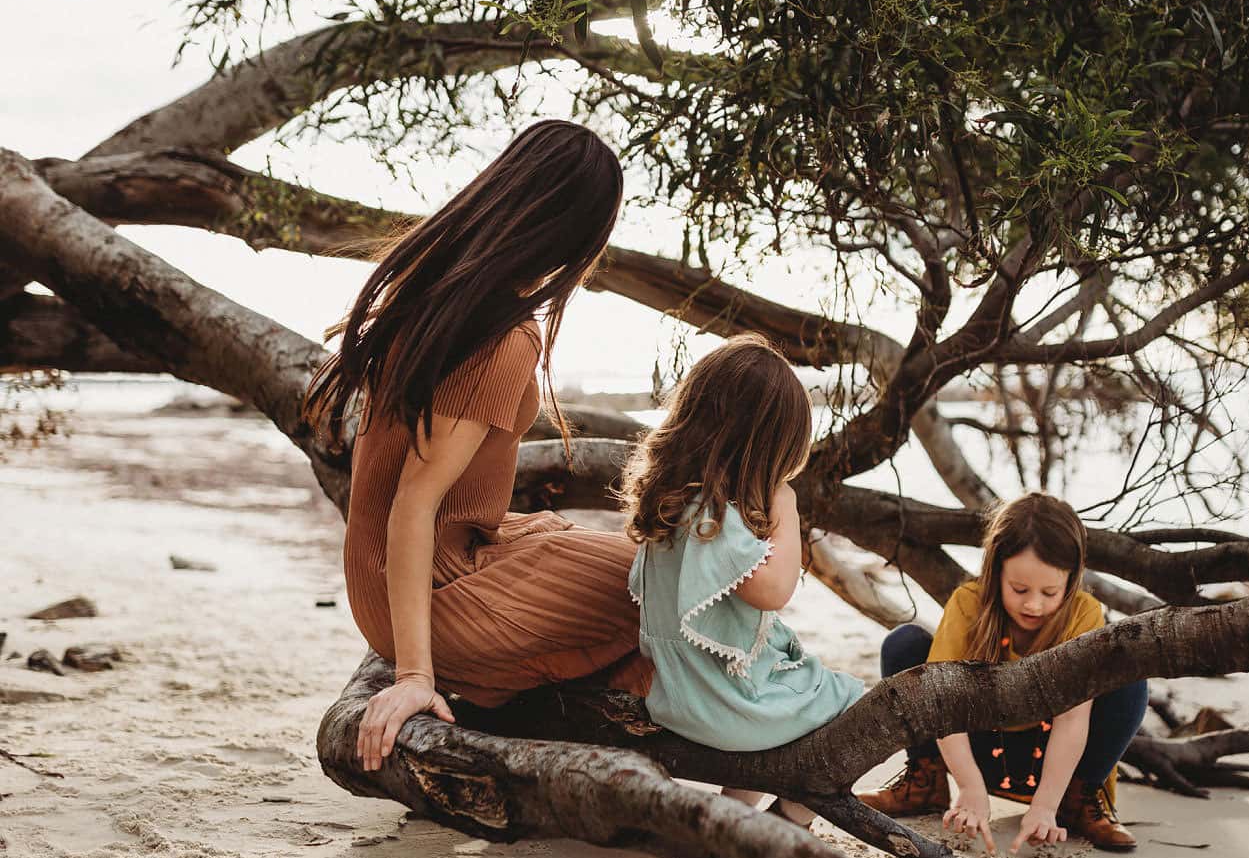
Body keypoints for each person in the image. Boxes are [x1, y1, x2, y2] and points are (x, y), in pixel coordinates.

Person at [314, 120, 648, 767]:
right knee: (663, 588)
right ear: (572, 233)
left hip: (404, 573)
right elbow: (414, 500)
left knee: (599, 554)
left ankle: (527, 703)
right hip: (430, 588)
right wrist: (414, 675)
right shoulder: (506, 333)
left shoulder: (436, 287)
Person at [871, 489, 1148, 858]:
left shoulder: (1084, 613)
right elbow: (938, 704)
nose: (1034, 604)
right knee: (906, 645)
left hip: (1051, 760)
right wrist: (970, 787)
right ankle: (927, 780)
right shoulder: (969, 603)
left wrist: (1046, 804)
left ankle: (1077, 800)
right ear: (996, 570)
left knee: (1128, 676)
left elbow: (1073, 719)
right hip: (978, 748)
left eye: (1050, 592)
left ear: (1071, 578)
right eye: (1019, 589)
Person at [624, 342, 861, 771]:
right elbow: (774, 590)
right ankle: (792, 813)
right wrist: (786, 506)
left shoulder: (674, 508)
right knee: (852, 701)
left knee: (809, 680)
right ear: (760, 452)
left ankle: (741, 809)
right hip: (727, 708)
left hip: (676, 699)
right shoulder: (711, 519)